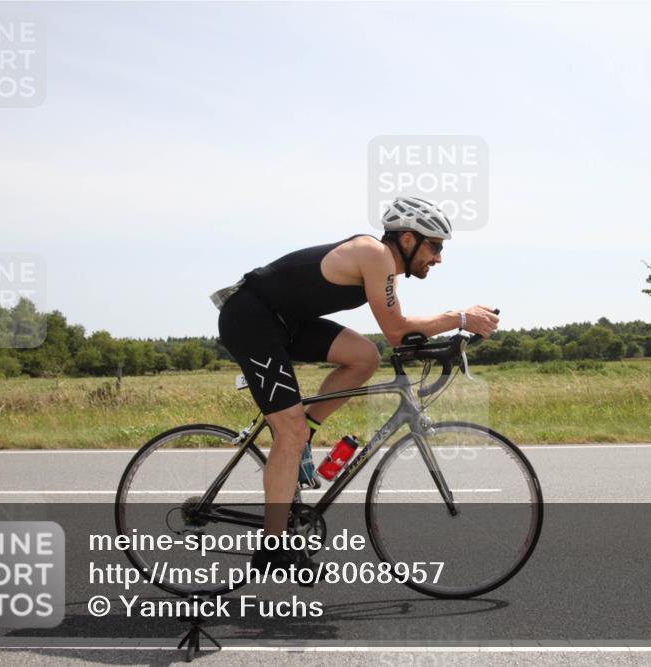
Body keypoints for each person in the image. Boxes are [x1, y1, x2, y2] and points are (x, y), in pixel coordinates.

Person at [211, 196, 499, 570]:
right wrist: (460, 318)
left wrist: (445, 345)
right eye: (435, 246)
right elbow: (396, 330)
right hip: (252, 319)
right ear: (408, 239)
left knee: (365, 357)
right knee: (289, 432)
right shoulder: (373, 254)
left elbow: (399, 333)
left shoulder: (385, 268)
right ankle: (273, 548)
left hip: (286, 322)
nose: (439, 258)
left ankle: (304, 435)